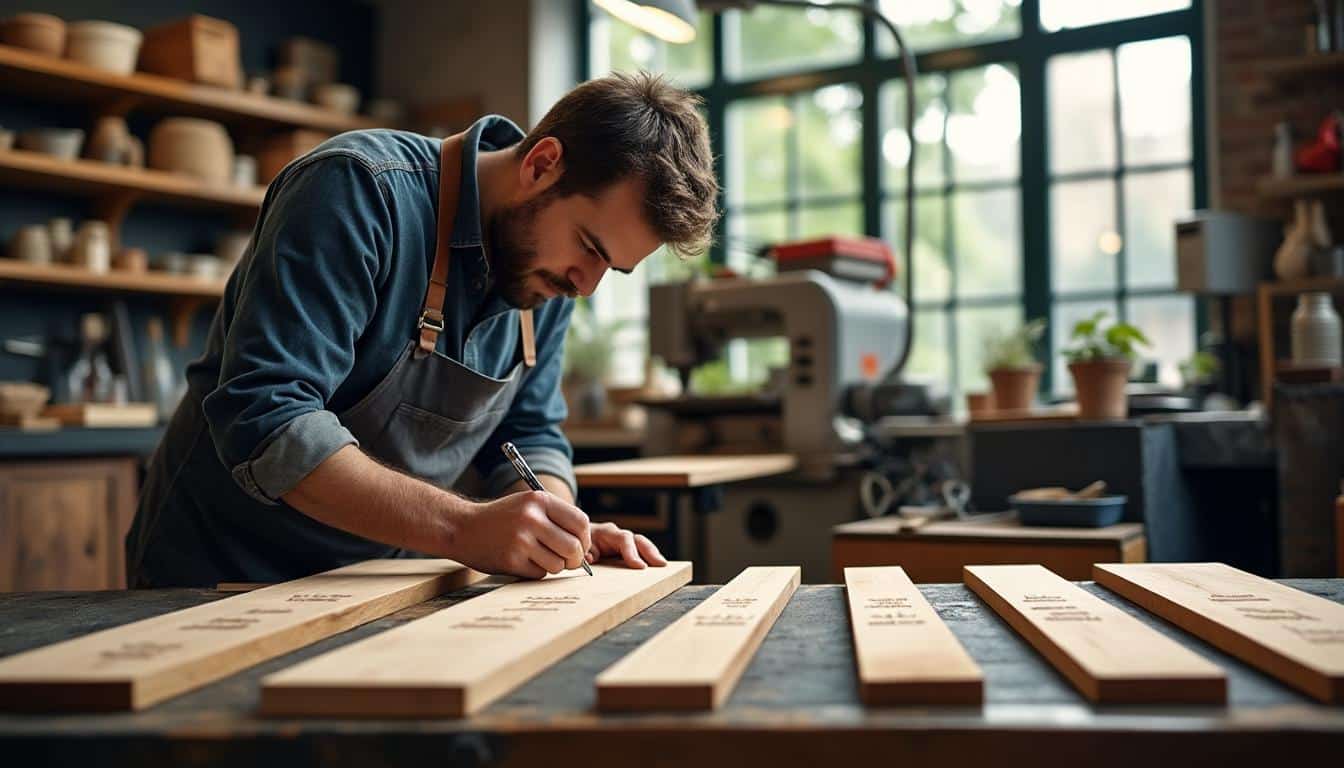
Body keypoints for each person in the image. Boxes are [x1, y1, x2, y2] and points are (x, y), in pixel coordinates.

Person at [125, 72, 720, 587]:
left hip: (373, 584)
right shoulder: (359, 191)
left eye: (609, 268)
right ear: (542, 165)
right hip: (218, 575)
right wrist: (462, 528)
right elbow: (269, 417)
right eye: (590, 247)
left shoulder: (550, 278)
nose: (586, 285)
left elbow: (529, 430)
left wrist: (559, 527)